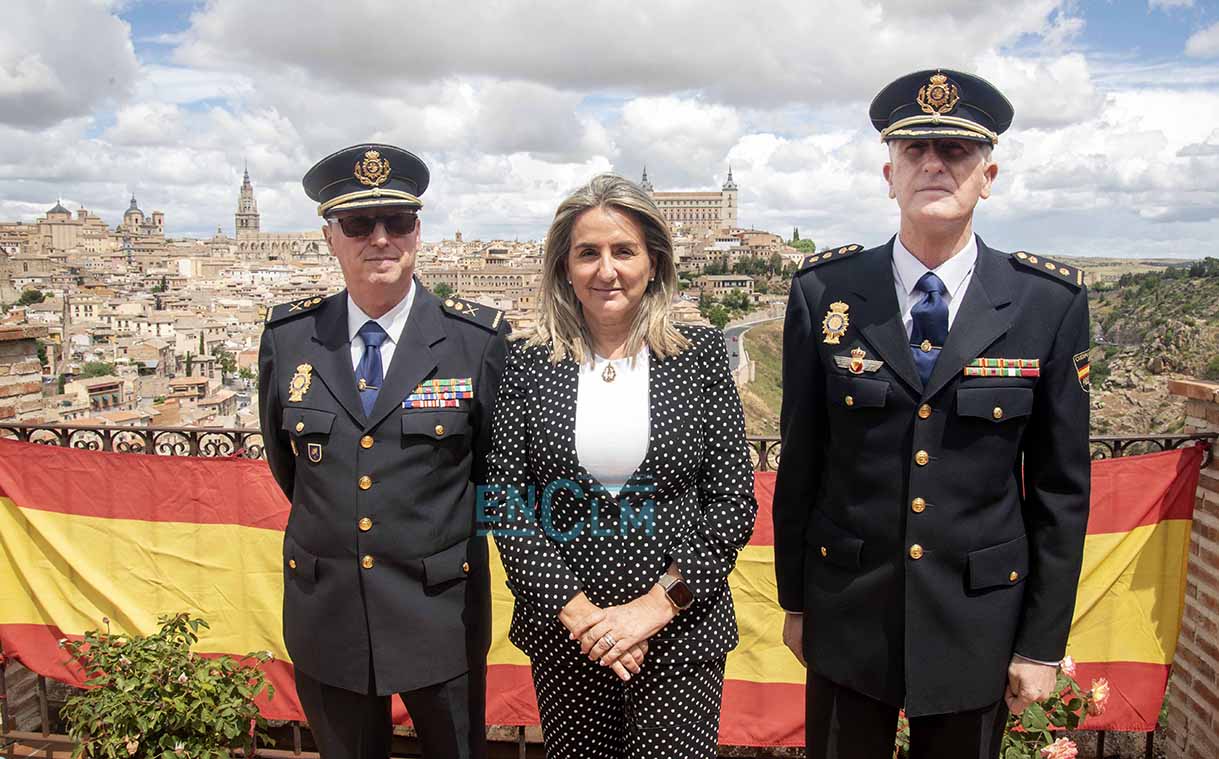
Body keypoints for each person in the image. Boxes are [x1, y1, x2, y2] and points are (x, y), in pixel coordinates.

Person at [772, 70, 1091, 759]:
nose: (934, 164)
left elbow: (1062, 491)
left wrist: (1040, 644)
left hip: (977, 616)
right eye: (915, 151)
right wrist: (795, 603)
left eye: (955, 151)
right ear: (889, 174)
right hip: (848, 605)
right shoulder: (823, 292)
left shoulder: (1046, 303)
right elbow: (800, 463)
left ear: (988, 174)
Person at [481, 174, 757, 759]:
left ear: (653, 263)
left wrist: (654, 609)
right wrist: (587, 621)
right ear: (564, 267)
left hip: (680, 640)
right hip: (568, 641)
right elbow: (504, 502)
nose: (607, 270)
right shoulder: (528, 364)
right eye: (588, 253)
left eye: (624, 251)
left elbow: (733, 504)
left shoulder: (700, 357)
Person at [258, 143, 509, 759]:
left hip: (440, 616)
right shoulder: (290, 339)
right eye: (358, 223)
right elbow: (289, 465)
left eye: (397, 222)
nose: (380, 239)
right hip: (329, 615)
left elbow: (493, 476)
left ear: (417, 232)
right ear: (330, 237)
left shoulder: (473, 341)